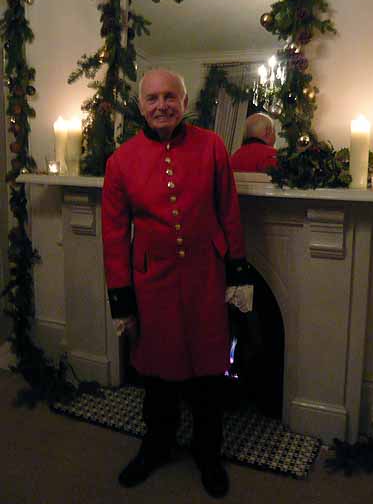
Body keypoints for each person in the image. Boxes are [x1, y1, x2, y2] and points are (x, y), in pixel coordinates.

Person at [101, 68, 249, 498]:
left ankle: (208, 452)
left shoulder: (213, 146)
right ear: (141, 105)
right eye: (152, 98)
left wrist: (237, 276)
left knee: (208, 373)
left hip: (206, 276)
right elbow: (114, 236)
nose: (161, 105)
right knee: (157, 375)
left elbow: (230, 211)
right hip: (152, 285)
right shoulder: (120, 161)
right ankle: (156, 445)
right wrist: (122, 301)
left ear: (184, 103)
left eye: (170, 96)